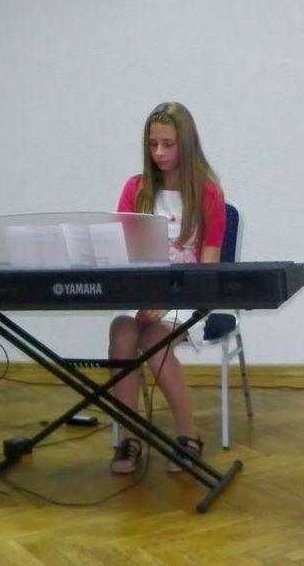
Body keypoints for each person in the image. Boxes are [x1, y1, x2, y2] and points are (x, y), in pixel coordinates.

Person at [108, 102, 226, 474]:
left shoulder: (208, 194)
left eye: (168, 144)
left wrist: (167, 300)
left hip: (186, 295)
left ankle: (188, 436)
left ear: (186, 145)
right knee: (121, 334)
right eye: (152, 144)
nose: (158, 152)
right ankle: (130, 439)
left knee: (155, 342)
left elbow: (208, 269)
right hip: (142, 291)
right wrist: (144, 297)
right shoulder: (136, 188)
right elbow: (123, 253)